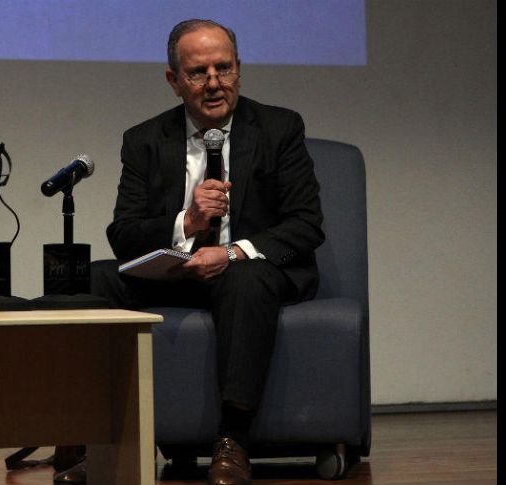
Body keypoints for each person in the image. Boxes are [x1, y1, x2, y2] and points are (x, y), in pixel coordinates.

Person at [54, 18, 325, 485]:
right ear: (174, 80)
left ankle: (233, 440)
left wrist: (234, 251)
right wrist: (189, 223)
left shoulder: (280, 128)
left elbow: (305, 224)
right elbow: (125, 233)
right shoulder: (143, 140)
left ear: (240, 68)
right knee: (85, 278)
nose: (215, 83)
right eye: (199, 72)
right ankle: (88, 435)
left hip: (249, 273)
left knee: (244, 276)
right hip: (178, 273)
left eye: (225, 68)